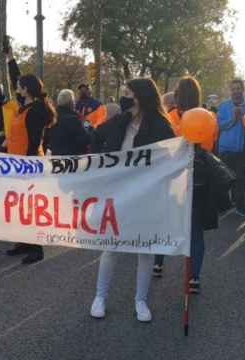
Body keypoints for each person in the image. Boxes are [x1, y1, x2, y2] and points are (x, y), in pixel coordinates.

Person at [89, 78, 175, 322]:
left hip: (147, 194)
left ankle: (140, 300)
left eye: (129, 93)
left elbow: (170, 156)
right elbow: (96, 136)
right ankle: (100, 297)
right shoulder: (120, 120)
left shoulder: (160, 124)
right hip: (116, 191)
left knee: (144, 249)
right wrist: (99, 162)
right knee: (111, 246)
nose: (124, 97)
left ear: (141, 96)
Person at [152, 76, 214, 294]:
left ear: (177, 95)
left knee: (164, 224)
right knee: (195, 231)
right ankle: (194, 277)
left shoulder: (169, 118)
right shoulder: (208, 117)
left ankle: (158, 263)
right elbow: (209, 147)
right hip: (198, 179)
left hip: (171, 179)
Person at [4, 45, 57, 265]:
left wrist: (26, 167)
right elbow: (18, 77)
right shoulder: (25, 105)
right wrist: (10, 59)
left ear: (26, 89)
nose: (16, 88)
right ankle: (24, 242)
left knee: (31, 206)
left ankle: (36, 248)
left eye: (19, 86)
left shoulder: (35, 110)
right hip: (17, 162)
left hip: (29, 163)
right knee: (19, 205)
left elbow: (35, 141)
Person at [217, 79, 245, 217]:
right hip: (226, 149)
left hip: (241, 149)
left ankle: (240, 206)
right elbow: (220, 126)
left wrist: (244, 117)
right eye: (233, 89)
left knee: (240, 180)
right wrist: (234, 119)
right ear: (230, 91)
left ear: (242, 90)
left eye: (238, 88)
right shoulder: (224, 106)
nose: (236, 91)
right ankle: (224, 205)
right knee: (226, 180)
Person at [45, 89, 90, 156]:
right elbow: (84, 140)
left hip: (54, 156)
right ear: (71, 102)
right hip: (71, 158)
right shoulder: (73, 119)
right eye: (74, 101)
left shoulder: (51, 116)